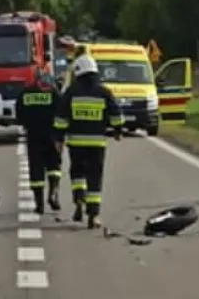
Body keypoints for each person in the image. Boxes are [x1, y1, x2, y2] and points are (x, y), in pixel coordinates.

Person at [52, 54, 124, 229]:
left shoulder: (71, 92)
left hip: (75, 143)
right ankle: (94, 215)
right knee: (95, 177)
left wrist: (59, 139)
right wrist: (117, 131)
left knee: (77, 172)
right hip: (97, 144)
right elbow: (117, 116)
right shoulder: (104, 92)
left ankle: (78, 198)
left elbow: (61, 118)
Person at [16, 69, 63, 214]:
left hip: (34, 135)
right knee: (54, 166)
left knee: (36, 169)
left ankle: (39, 204)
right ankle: (53, 192)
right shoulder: (54, 93)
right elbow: (62, 112)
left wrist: (26, 124)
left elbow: (19, 112)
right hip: (52, 135)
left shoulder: (25, 93)